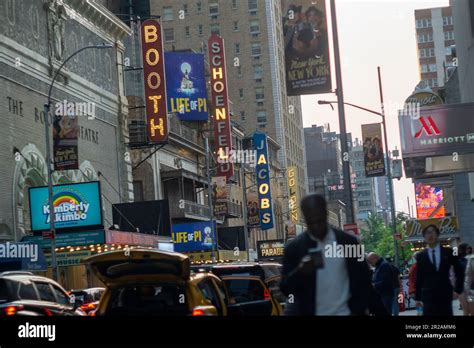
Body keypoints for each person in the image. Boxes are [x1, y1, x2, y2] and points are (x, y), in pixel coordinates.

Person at [280, 194, 371, 315]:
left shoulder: (348, 242)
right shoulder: (294, 249)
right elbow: (286, 289)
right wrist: (300, 272)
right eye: (311, 222)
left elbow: (365, 283)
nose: (316, 226)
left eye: (319, 220)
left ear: (325, 213)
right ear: (305, 218)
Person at [415, 225, 464, 316]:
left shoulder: (448, 252)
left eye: (432, 232)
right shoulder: (421, 256)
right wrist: (418, 297)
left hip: (445, 293)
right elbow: (419, 277)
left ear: (437, 235)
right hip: (428, 294)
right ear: (424, 237)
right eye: (427, 233)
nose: (430, 235)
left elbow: (459, 271)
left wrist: (458, 290)